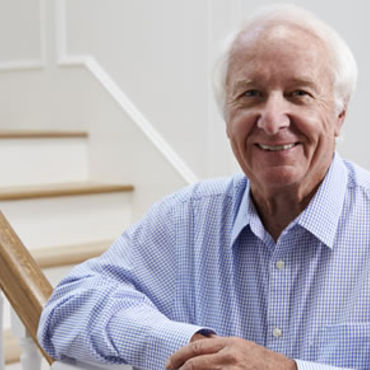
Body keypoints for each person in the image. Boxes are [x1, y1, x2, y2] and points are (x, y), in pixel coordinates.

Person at [38, 4, 370, 370]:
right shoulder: (188, 218)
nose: (273, 121)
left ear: (339, 115)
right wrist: (192, 347)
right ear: (227, 119)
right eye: (251, 94)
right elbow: (67, 307)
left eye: (299, 94)